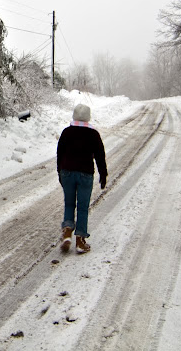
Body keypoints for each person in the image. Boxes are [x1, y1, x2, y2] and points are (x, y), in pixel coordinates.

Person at [56, 103, 107, 253]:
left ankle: (67, 232)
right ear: (88, 117)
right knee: (83, 207)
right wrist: (103, 174)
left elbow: (60, 153)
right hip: (85, 173)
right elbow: (100, 156)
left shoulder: (66, 132)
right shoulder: (93, 134)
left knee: (69, 203)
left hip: (67, 172)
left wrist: (60, 172)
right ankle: (80, 240)